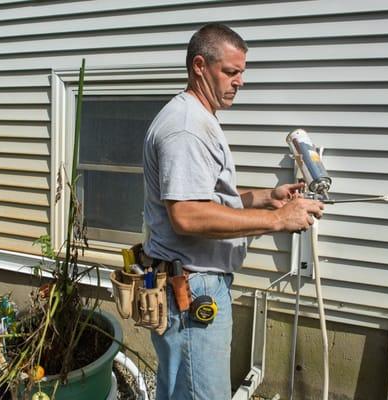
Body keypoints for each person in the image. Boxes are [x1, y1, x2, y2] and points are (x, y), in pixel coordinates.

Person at [142, 23, 324, 400]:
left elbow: (205, 196)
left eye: (243, 72)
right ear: (199, 66)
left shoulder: (197, 116)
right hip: (192, 291)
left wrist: (264, 197)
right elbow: (188, 215)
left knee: (179, 390)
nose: (240, 81)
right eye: (231, 71)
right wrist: (278, 219)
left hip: (191, 284)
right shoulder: (187, 128)